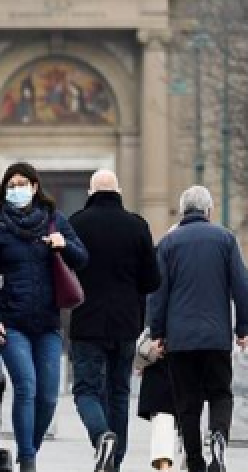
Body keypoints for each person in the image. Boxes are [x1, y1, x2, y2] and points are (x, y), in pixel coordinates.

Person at [0, 162, 88, 472]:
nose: (17, 189)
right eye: (11, 184)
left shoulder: (55, 221)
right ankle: (28, 462)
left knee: (49, 396)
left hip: (48, 323)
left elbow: (83, 258)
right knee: (26, 386)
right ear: (5, 190)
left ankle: (30, 449)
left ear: (35, 186)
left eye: (22, 183)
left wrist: (64, 244)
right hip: (12, 322)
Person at [146, 186, 248, 472]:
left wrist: (157, 334)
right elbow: (243, 286)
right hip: (217, 336)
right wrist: (243, 328)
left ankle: (195, 460)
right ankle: (218, 436)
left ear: (182, 212)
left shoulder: (168, 243)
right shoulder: (226, 239)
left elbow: (158, 293)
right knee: (220, 393)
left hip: (180, 339)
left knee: (187, 400)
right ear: (208, 211)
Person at [68, 170, 160, 472]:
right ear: (119, 191)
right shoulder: (137, 226)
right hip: (125, 324)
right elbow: (152, 281)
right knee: (119, 393)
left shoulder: (76, 223)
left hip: (86, 322)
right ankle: (114, 462)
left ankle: (101, 437)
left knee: (85, 390)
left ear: (90, 191)